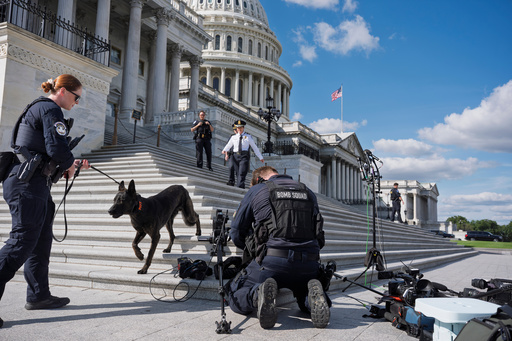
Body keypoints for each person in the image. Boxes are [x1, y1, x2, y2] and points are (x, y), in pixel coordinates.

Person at [0, 74, 90, 328]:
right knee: (21, 242)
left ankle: (39, 295)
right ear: (62, 91)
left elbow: (48, 155)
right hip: (26, 184)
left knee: (40, 241)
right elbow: (57, 149)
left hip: (33, 182)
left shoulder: (41, 107)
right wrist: (69, 163)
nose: (77, 102)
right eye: (76, 97)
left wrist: (68, 166)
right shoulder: (51, 109)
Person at [225, 166, 330, 329]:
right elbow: (319, 235)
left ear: (258, 180)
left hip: (271, 262)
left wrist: (250, 250)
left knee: (235, 291)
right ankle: (310, 298)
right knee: (303, 285)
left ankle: (257, 295)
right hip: (309, 263)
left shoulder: (258, 190)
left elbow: (237, 231)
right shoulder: (308, 192)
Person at [221, 120, 264, 188]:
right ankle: (240, 185)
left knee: (242, 172)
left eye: (241, 128)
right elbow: (229, 145)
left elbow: (254, 147)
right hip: (235, 156)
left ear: (243, 128)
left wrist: (260, 157)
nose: (239, 129)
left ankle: (240, 186)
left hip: (244, 156)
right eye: (238, 128)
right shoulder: (233, 137)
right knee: (238, 172)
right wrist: (224, 150)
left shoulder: (248, 137)